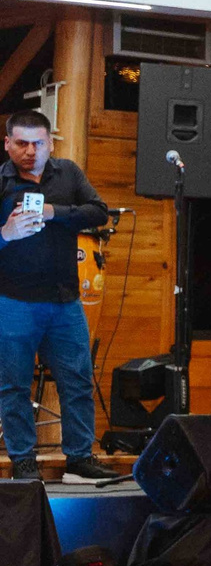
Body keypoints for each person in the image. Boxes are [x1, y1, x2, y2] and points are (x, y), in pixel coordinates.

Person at [0, 109, 115, 483]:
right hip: (13, 301)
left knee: (77, 380)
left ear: (51, 142)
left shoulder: (68, 173)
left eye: (38, 143)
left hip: (65, 301)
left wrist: (53, 212)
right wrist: (5, 234)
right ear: (7, 144)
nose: (30, 151)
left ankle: (80, 458)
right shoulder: (1, 181)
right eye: (22, 143)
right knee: (14, 385)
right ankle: (23, 460)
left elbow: (99, 212)